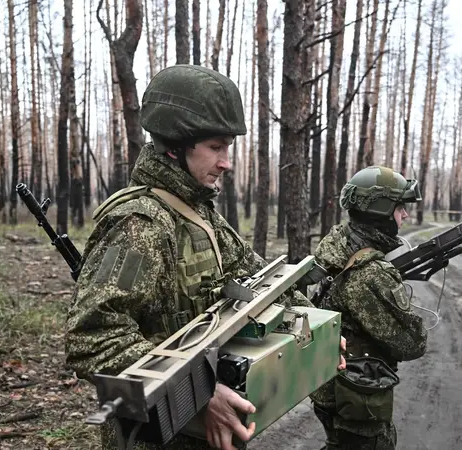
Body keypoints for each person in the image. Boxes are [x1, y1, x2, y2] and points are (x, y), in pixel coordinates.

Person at [65, 64, 337, 450]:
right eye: (215, 147)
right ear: (175, 145)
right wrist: (201, 394)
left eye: (227, 147)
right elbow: (92, 338)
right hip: (156, 436)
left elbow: (257, 276)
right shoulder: (140, 224)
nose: (226, 162)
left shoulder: (198, 211)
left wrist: (318, 330)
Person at [309, 165, 428, 450]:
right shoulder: (371, 273)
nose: (405, 215)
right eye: (401, 208)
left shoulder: (340, 240)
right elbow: (412, 344)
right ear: (382, 210)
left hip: (327, 385)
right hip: (355, 392)